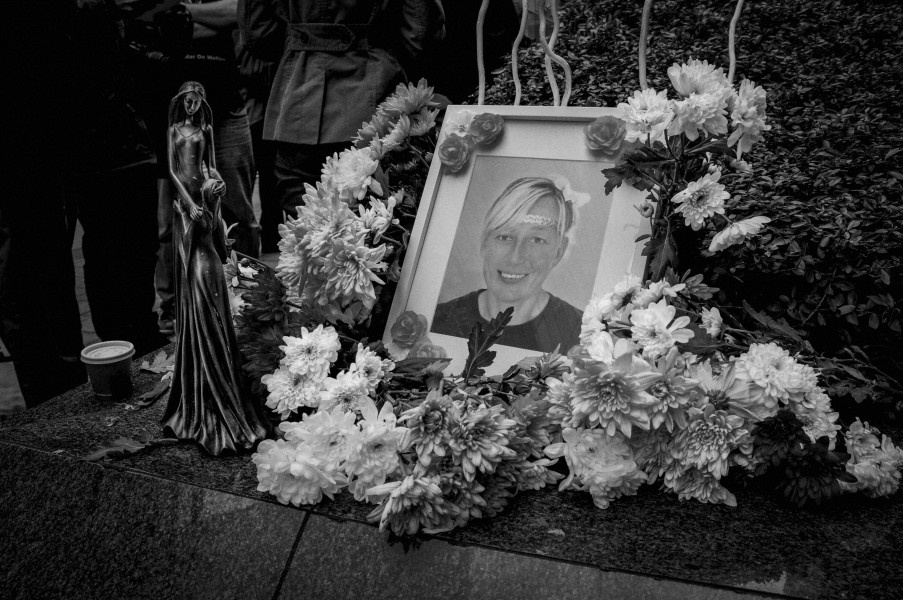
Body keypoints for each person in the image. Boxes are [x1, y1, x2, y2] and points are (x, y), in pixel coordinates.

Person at [238, 0, 445, 214]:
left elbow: (257, 34)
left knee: (306, 231)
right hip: (371, 96)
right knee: (376, 226)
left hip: (298, 106)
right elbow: (421, 35)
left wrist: (300, 41)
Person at [161, 81, 268, 455]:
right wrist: (189, 203)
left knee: (212, 270)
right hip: (185, 211)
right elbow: (174, 172)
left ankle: (219, 366)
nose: (192, 108)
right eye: (187, 102)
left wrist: (215, 185)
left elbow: (209, 166)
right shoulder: (174, 130)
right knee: (195, 276)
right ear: (180, 102)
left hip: (207, 206)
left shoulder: (206, 129)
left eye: (197, 102)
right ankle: (199, 385)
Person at [432, 177, 583, 353]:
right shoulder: (437, 321)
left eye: (537, 240)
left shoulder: (583, 335)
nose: (515, 258)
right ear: (484, 242)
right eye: (505, 237)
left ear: (559, 251)